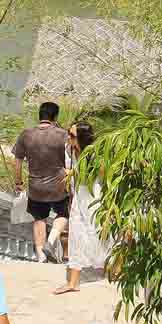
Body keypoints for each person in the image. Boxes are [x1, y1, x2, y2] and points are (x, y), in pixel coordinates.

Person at [12, 101, 71, 263]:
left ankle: (40, 257)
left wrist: (18, 182)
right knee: (64, 213)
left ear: (40, 115)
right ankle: (50, 242)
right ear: (55, 116)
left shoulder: (26, 134)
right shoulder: (62, 135)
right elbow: (70, 159)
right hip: (58, 184)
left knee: (39, 218)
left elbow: (17, 161)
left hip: (35, 185)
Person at [55, 122, 110, 295]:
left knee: (99, 234)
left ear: (81, 138)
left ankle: (113, 269)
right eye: (68, 134)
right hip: (79, 199)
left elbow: (104, 176)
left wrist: (76, 174)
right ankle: (73, 282)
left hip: (94, 198)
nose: (68, 138)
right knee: (76, 236)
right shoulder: (71, 151)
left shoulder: (94, 154)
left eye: (72, 135)